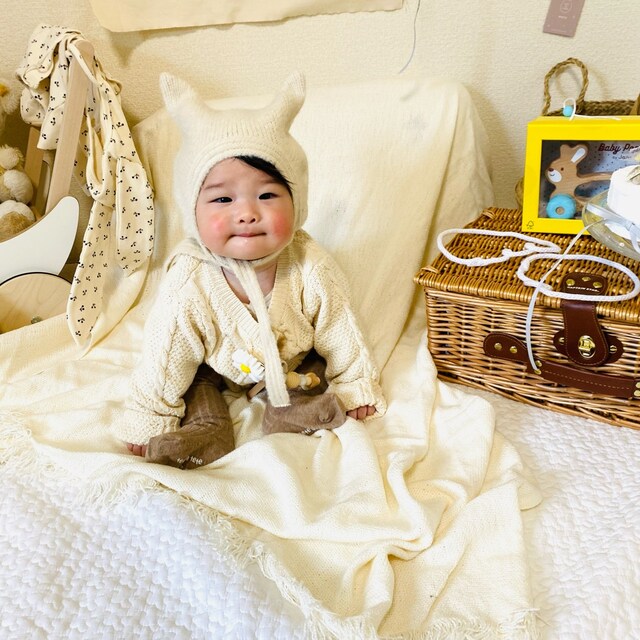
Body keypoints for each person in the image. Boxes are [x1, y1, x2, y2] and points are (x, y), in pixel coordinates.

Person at [114, 71, 386, 468]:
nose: (246, 213)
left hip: (292, 364)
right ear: (192, 212)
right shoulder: (190, 279)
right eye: (223, 199)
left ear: (297, 204)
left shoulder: (311, 264)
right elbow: (166, 354)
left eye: (267, 194)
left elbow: (339, 327)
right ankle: (207, 431)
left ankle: (289, 413)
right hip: (212, 366)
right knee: (193, 383)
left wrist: (356, 383)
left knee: (312, 369)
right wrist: (149, 415)